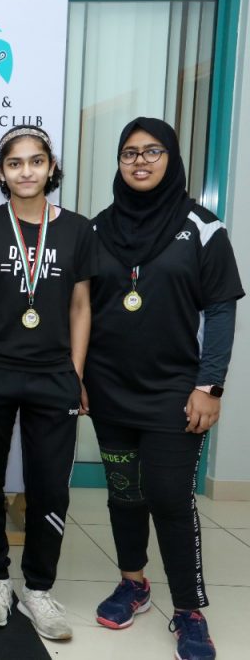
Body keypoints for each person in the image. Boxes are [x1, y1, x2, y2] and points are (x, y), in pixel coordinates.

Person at [85, 118, 243, 660]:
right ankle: (133, 583)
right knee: (124, 494)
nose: (140, 161)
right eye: (130, 153)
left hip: (176, 392)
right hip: (109, 389)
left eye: (153, 152)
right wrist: (78, 377)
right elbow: (84, 309)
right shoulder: (99, 229)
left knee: (171, 497)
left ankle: (189, 610)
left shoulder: (204, 228)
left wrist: (210, 386)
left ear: (172, 159)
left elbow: (221, 310)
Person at [0, 125, 92, 641]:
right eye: (15, 163)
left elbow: (80, 306)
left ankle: (38, 588)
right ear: (2, 172)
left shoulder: (78, 229)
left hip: (53, 375)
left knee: (49, 487)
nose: (26, 171)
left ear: (51, 167)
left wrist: (75, 372)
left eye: (36, 161)